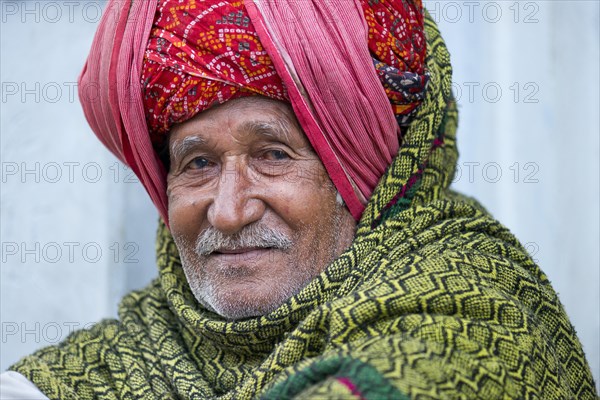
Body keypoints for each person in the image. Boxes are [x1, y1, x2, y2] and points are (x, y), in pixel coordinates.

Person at [1, 0, 596, 398]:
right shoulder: (137, 350)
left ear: (367, 174)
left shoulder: (473, 324)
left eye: (274, 155)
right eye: (198, 163)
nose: (229, 211)